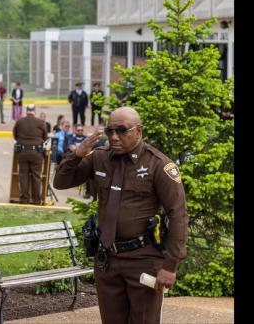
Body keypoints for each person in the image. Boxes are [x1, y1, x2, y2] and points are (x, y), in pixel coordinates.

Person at [53, 107, 188, 324]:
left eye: (122, 130)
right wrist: (77, 155)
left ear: (139, 131)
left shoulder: (158, 164)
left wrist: (170, 265)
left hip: (143, 260)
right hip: (108, 260)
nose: (114, 137)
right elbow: (61, 182)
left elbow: (178, 214)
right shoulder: (100, 158)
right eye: (110, 130)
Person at [12, 104, 48, 204]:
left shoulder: (19, 122)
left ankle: (24, 199)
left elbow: (15, 136)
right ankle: (36, 200)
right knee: (36, 176)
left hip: (22, 152)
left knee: (23, 176)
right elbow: (45, 137)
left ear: (26, 110)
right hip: (36, 153)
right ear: (34, 111)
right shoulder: (40, 122)